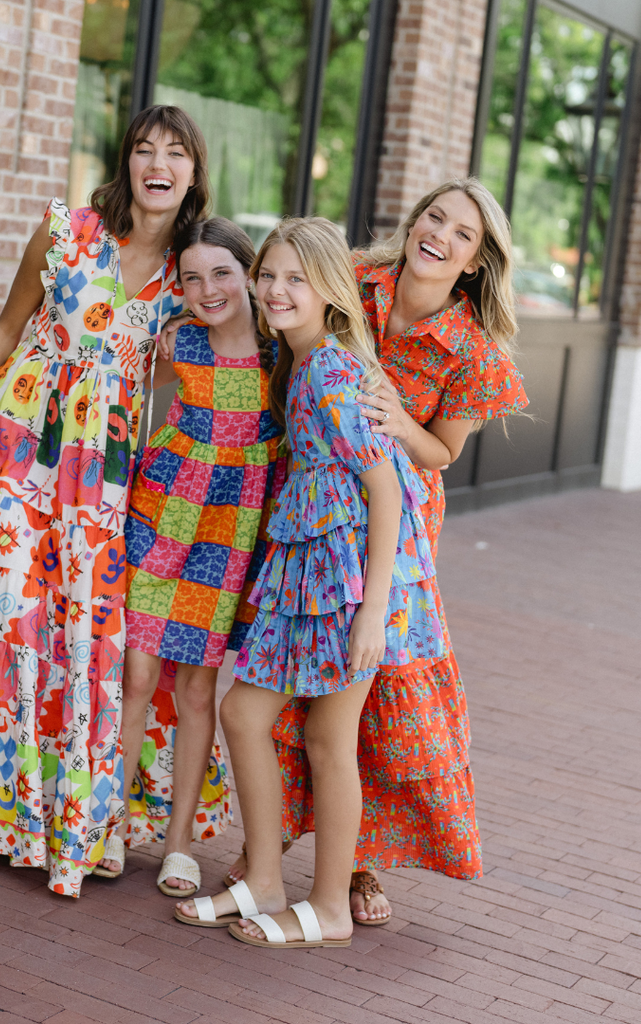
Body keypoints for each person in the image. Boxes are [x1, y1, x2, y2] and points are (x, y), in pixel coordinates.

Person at [0, 105, 213, 897]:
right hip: (18, 449)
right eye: (143, 148)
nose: (157, 161)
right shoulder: (69, 231)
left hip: (104, 478)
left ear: (194, 174)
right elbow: (5, 326)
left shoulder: (187, 277)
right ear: (127, 161)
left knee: (83, 633)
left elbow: (203, 362)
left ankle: (61, 814)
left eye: (175, 153)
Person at [224, 177, 529, 924]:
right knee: (302, 696)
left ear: (476, 261)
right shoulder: (351, 280)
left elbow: (441, 454)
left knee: (375, 709)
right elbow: (283, 307)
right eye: (435, 218)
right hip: (315, 508)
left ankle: (354, 868)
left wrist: (395, 416)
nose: (441, 237)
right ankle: (267, 860)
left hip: (389, 528)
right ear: (414, 221)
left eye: (462, 234)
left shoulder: (469, 348)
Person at [174, 218, 443, 947]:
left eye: (297, 278)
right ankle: (263, 878)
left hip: (353, 576)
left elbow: (384, 489)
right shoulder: (300, 362)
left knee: (328, 736)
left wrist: (372, 609)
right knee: (247, 716)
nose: (276, 290)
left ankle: (327, 908)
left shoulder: (329, 368)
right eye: (269, 276)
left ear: (331, 290)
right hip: (312, 566)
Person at [110, 217, 286, 896]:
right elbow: (118, 387)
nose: (207, 289)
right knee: (137, 673)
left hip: (232, 534)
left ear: (249, 274)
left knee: (196, 690)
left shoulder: (281, 355)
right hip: (165, 517)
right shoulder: (177, 340)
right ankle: (107, 826)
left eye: (223, 273)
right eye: (191, 277)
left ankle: (179, 845)